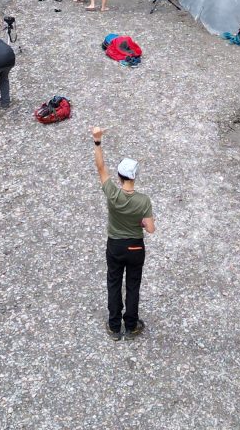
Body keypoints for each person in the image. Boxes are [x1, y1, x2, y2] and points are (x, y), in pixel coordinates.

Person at [90, 126, 154, 340]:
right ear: (135, 177)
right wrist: (142, 223)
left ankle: (114, 326)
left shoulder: (112, 194)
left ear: (119, 176)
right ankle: (132, 325)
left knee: (114, 282)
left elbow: (100, 167)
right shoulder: (143, 201)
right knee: (133, 285)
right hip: (136, 247)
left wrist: (97, 141)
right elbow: (151, 228)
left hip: (115, 245)